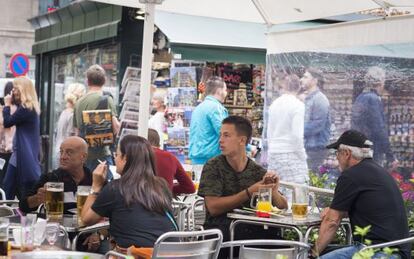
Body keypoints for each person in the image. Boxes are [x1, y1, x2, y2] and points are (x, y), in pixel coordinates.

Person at [198, 116, 288, 259]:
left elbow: (282, 206)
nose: (220, 140)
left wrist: (273, 190)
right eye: (220, 135)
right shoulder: (213, 166)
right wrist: (249, 192)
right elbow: (213, 207)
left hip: (252, 233)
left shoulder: (257, 171)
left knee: (283, 244)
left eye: (226, 135)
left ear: (242, 140)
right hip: (220, 234)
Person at [312, 130, 409, 259]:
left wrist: (312, 253)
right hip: (398, 251)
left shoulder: (351, 175)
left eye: (337, 153)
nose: (336, 158)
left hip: (377, 252)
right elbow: (370, 208)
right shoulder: (378, 171)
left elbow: (332, 222)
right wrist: (334, 211)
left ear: (346, 153)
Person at [81, 135, 177, 252]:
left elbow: (86, 219)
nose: (115, 159)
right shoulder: (161, 185)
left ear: (125, 158)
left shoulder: (116, 187)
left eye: (116, 155)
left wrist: (96, 186)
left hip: (138, 255)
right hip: (171, 253)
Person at [73, 65, 119, 179]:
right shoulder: (106, 99)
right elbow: (116, 127)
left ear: (87, 81)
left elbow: (76, 131)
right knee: (105, 190)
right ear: (104, 81)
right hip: (102, 155)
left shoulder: (79, 102)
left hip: (84, 156)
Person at [266, 73, 308, 198]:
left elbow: (269, 132)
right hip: (291, 154)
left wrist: (270, 151)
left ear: (284, 86)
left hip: (274, 152)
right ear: (298, 87)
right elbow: (297, 135)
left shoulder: (274, 104)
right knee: (297, 193)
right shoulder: (298, 105)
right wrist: (302, 154)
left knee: (276, 192)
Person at [2, 77, 41, 200]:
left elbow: (8, 122)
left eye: (15, 88)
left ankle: (7, 212)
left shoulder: (26, 108)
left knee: (9, 187)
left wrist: (7, 105)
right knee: (13, 187)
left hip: (22, 154)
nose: (13, 91)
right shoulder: (28, 107)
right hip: (20, 154)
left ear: (22, 89)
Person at [351, 66, 396, 166]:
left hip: (360, 148)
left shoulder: (361, 97)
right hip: (372, 150)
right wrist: (390, 155)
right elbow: (379, 129)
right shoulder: (373, 99)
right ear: (381, 81)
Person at [189, 76, 228, 181]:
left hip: (197, 160)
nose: (226, 93)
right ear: (219, 91)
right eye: (225, 90)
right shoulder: (216, 108)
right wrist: (247, 147)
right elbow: (225, 133)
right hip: (211, 161)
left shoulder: (199, 108)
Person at [300, 68, 331, 173]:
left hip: (316, 147)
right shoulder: (308, 98)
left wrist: (297, 130)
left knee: (312, 176)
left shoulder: (320, 99)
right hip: (308, 145)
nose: (301, 79)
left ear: (315, 80)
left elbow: (318, 125)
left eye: (305, 77)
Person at [147, 128, 195, 196]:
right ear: (159, 144)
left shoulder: (135, 155)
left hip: (137, 203)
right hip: (163, 203)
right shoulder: (170, 157)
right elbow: (189, 187)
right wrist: (169, 188)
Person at [54, 83, 86, 168]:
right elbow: (73, 138)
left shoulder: (64, 112)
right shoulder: (72, 115)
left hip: (59, 150)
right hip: (67, 154)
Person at [0, 82, 16, 184]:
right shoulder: (19, 110)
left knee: (2, 180)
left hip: (3, 150)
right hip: (14, 150)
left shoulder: (2, 110)